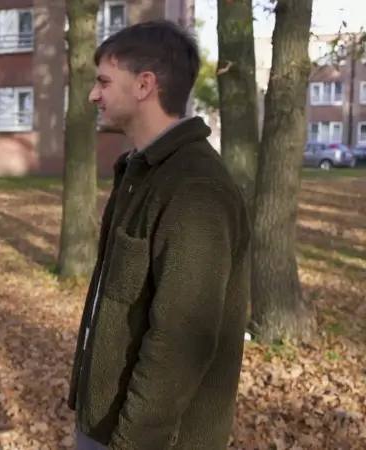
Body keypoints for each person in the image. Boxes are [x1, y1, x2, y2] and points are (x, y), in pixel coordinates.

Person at [67, 20, 252, 450]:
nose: (94, 94)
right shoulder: (141, 172)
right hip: (106, 428)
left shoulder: (194, 188)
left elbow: (178, 343)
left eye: (104, 82)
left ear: (144, 84)